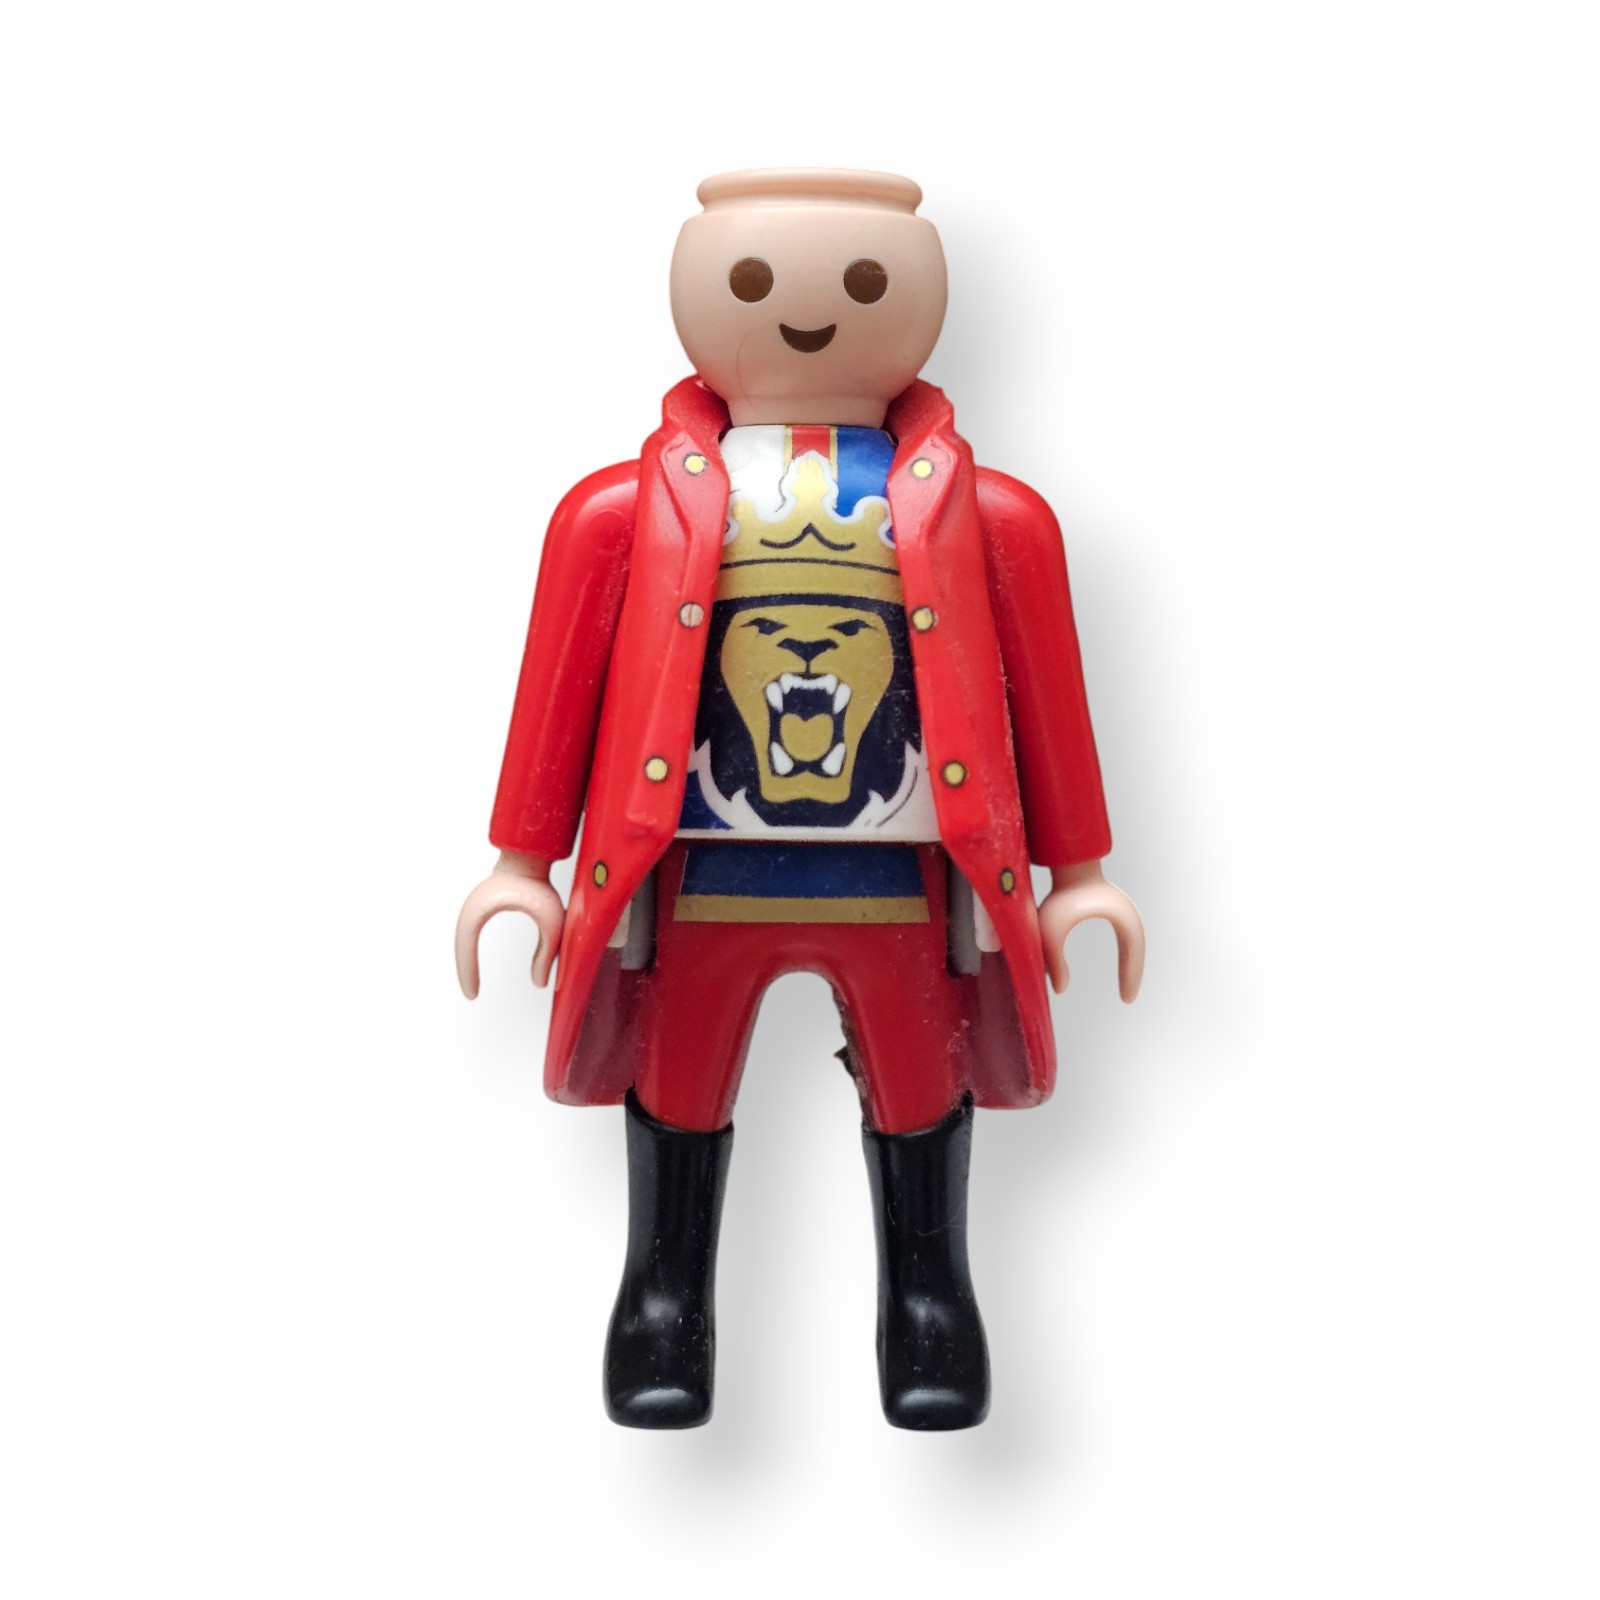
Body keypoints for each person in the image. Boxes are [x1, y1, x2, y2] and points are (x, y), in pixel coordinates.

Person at [456, 168, 1145, 1430]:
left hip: (904, 877)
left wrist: (1078, 870)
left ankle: (929, 1301)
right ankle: (662, 1299)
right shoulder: (620, 513)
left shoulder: (991, 516)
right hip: (694, 871)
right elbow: (562, 674)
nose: (807, 308)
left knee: (920, 1079)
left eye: (868, 281)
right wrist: (522, 858)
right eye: (753, 280)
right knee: (676, 1075)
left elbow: (1044, 690)